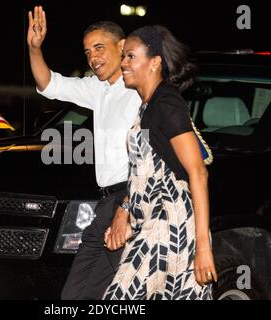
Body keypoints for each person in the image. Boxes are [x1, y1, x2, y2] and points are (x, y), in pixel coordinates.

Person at [27, 6, 141, 299]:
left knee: (122, 295)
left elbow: (148, 159)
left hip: (133, 203)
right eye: (88, 51)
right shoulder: (98, 88)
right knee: (74, 296)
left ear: (122, 46)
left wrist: (126, 211)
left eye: (99, 47)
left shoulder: (142, 91)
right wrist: (35, 48)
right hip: (104, 204)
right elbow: (48, 84)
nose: (93, 57)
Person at [102, 25, 217, 300]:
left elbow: (198, 173)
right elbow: (143, 172)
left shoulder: (166, 103)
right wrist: (127, 212)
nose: (124, 63)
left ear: (154, 62)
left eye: (130, 56)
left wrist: (202, 248)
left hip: (171, 228)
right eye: (124, 57)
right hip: (150, 225)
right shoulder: (146, 106)